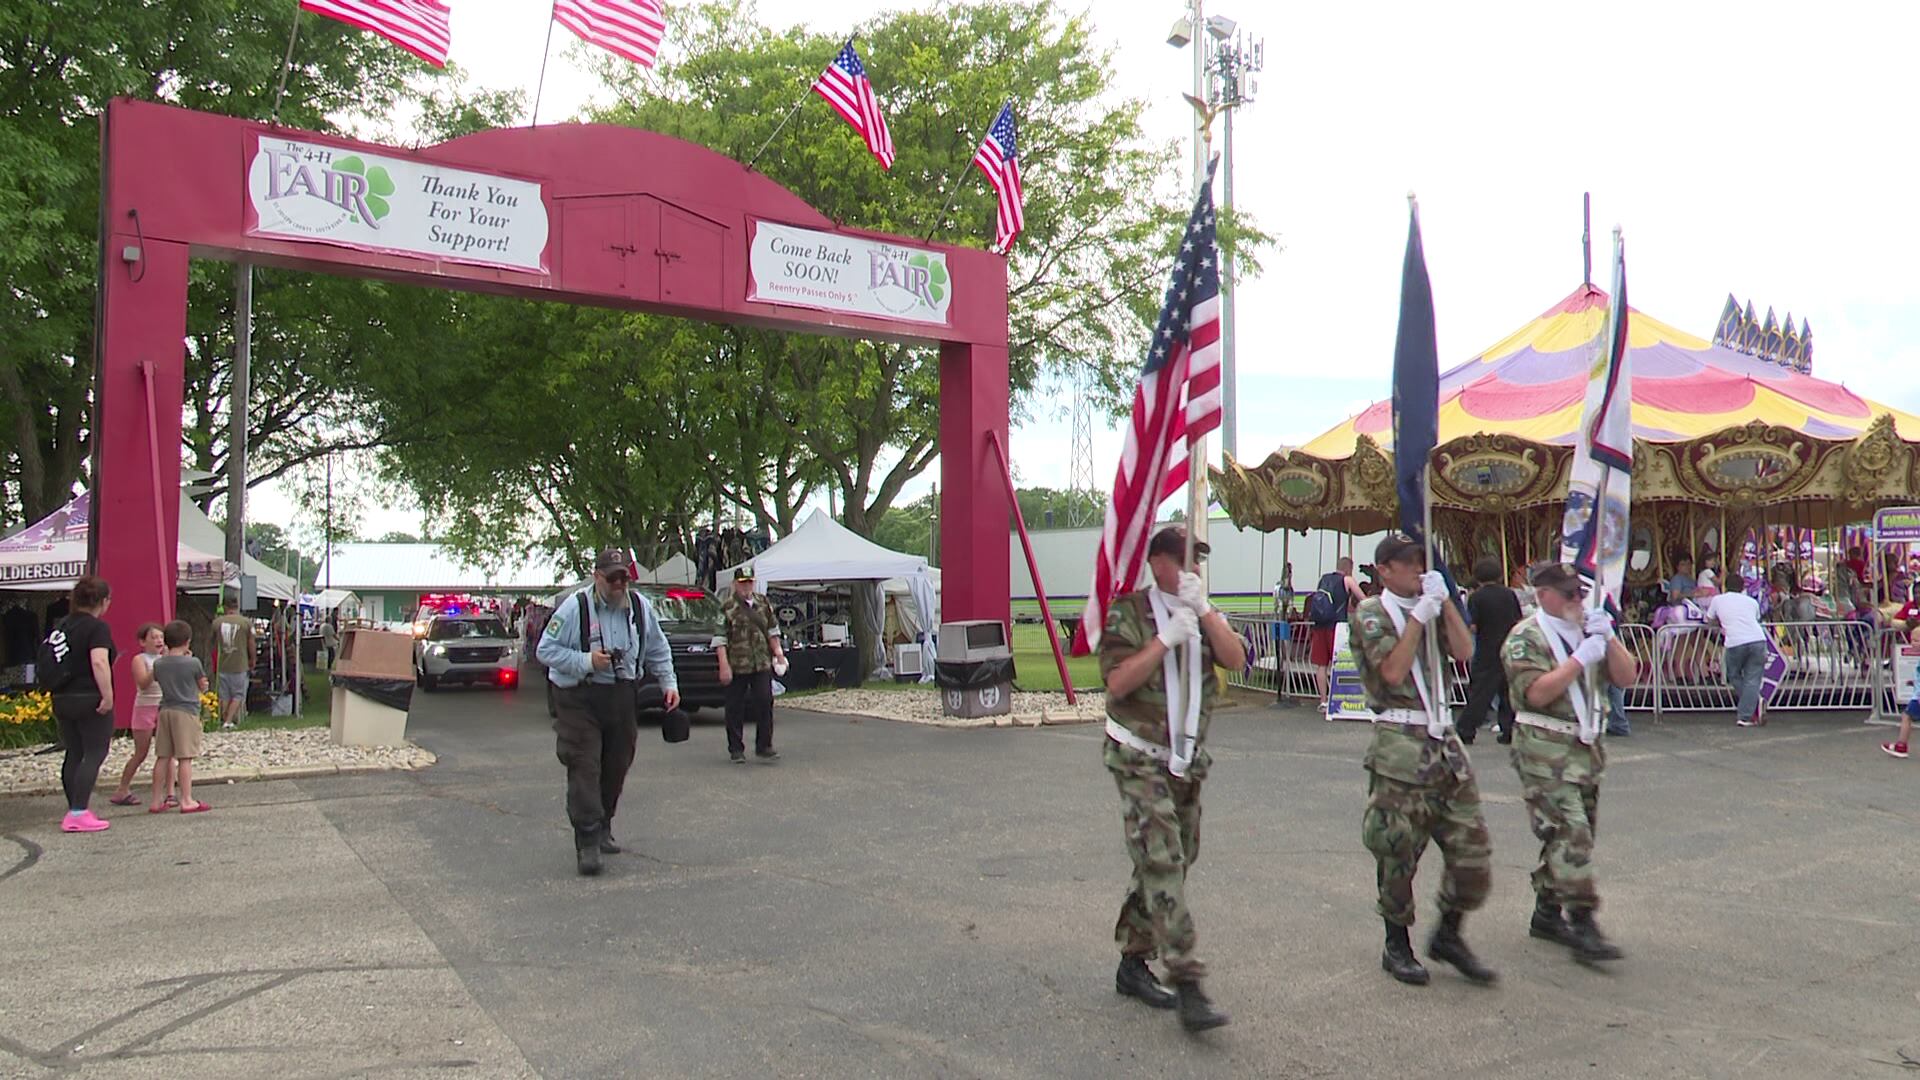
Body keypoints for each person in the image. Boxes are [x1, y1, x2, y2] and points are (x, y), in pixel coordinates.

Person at [1098, 526, 1245, 1033]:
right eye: (1183, 560)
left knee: (1171, 863)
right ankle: (1187, 979)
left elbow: (1236, 658)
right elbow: (1117, 681)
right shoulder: (1128, 613)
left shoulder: (1200, 610)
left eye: (1198, 561)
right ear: (1157, 562)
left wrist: (1202, 613)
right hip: (1138, 758)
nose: (1192, 570)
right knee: (1161, 858)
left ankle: (1132, 963)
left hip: (1184, 761)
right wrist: (1165, 639)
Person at [1349, 532, 1495, 987]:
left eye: (1421, 563)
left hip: (1443, 741)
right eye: (1408, 564)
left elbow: (1465, 651)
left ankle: (1449, 933)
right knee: (1397, 852)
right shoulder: (1371, 614)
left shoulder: (1431, 604)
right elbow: (1391, 672)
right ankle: (1397, 943)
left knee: (1472, 848)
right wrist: (1419, 618)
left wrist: (1445, 601)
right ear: (1385, 570)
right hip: (1399, 741)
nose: (1416, 570)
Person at [1501, 563, 1638, 964]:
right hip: (1544, 746)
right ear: (1543, 595)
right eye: (1569, 594)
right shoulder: (1526, 637)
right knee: (1571, 831)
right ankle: (1583, 923)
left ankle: (1546, 911)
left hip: (1584, 750)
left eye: (1580, 593)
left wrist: (1609, 639)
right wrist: (1579, 659)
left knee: (1573, 837)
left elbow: (1627, 677)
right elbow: (1537, 693)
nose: (1578, 601)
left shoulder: (1587, 629)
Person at [536, 548, 679, 876]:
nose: (619, 583)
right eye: (612, 577)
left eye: (624, 577)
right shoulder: (576, 607)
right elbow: (546, 650)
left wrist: (669, 683)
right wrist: (587, 661)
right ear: (597, 577)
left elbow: (658, 648)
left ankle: (603, 824)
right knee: (584, 763)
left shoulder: (640, 607)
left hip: (622, 694)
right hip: (578, 696)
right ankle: (587, 840)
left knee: (617, 763)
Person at [47, 575, 117, 833]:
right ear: (102, 601)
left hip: (62, 695)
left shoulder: (62, 625)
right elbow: (99, 661)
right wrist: (107, 694)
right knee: (95, 752)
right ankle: (79, 811)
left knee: (74, 752)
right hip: (88, 695)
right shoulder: (97, 628)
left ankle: (74, 808)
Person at [717, 563, 787, 764]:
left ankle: (764, 745)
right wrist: (724, 666)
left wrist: (779, 654)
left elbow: (772, 631)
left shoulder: (763, 603)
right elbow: (720, 639)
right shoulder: (727, 607)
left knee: (765, 701)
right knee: (734, 707)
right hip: (737, 664)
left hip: (761, 662)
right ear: (735, 584)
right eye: (742, 583)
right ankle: (736, 748)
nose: (746, 587)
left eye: (749, 582)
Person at [149, 620, 211, 815]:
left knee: (162, 756)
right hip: (186, 710)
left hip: (165, 709)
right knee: (185, 757)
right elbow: (202, 685)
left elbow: (158, 678)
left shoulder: (159, 663)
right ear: (187, 641)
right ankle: (187, 799)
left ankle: (156, 800)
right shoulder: (193, 662)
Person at [1459, 558, 1520, 745]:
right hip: (1508, 647)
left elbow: (1473, 626)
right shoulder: (1510, 594)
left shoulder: (1476, 597)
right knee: (1507, 692)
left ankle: (1466, 729)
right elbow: (1518, 620)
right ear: (1500, 575)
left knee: (1480, 692)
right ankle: (1508, 729)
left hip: (1487, 648)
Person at [107, 623, 164, 806]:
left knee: (167, 752)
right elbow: (143, 683)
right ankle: (122, 788)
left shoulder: (166, 658)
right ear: (143, 641)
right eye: (154, 637)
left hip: (163, 706)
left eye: (161, 637)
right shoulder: (140, 660)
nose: (159, 641)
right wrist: (157, 668)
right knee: (141, 752)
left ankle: (169, 791)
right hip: (145, 708)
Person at [1307, 557, 1367, 709]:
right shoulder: (1347, 580)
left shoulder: (1324, 579)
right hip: (1337, 627)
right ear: (1349, 568)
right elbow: (1363, 599)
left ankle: (1323, 700)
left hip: (1320, 626)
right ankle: (1340, 698)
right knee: (1340, 663)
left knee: (1322, 665)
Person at [1705, 586, 1767, 727]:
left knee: (1733, 674)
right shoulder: (1751, 601)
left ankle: (1746, 714)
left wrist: (1720, 624)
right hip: (1757, 639)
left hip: (1735, 641)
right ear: (1742, 588)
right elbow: (1756, 618)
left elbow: (1709, 619)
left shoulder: (1718, 600)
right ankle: (1753, 703)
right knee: (1752, 678)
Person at [210, 605, 255, 730]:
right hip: (240, 664)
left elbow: (212, 642)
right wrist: (253, 659)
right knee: (238, 695)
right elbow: (251, 642)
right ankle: (228, 721)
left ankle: (223, 718)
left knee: (224, 695)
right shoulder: (246, 622)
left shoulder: (217, 622)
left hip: (223, 664)